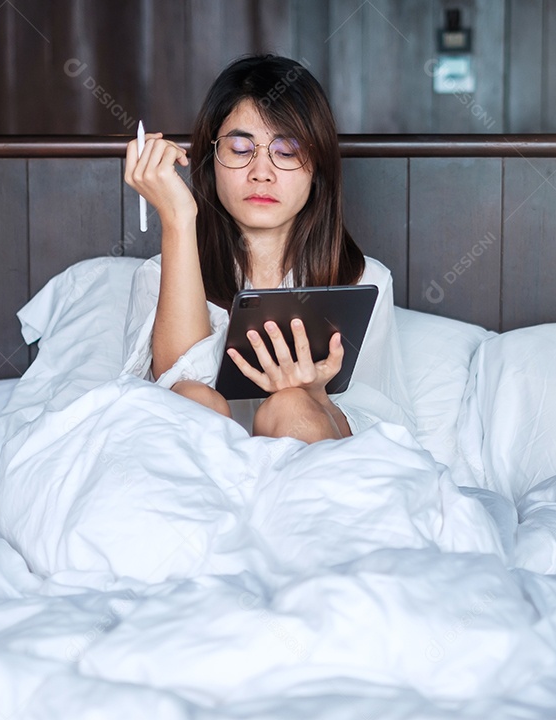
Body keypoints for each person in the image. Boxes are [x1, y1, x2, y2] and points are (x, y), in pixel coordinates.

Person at [122, 54, 414, 444]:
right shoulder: (158, 277)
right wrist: (177, 218)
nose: (262, 171)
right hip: (199, 480)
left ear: (318, 168)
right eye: (241, 148)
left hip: (314, 473)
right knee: (195, 398)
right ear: (210, 162)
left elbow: (379, 423)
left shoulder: (365, 280)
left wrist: (311, 396)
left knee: (290, 406)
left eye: (287, 150)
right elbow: (178, 393)